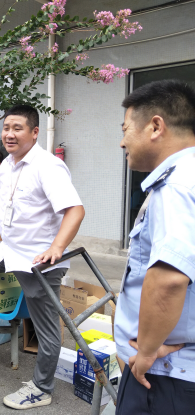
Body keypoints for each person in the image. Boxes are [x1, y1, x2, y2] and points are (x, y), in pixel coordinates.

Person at [0, 104, 85, 410]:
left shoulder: (47, 166)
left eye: (17, 128)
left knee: (46, 328)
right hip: (8, 250)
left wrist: (56, 247)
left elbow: (75, 210)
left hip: (38, 261)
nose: (9, 134)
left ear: (34, 132)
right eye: (6, 128)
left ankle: (42, 388)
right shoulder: (8, 164)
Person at [114, 80, 195, 415]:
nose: (122, 142)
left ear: (156, 126)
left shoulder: (175, 187)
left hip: (166, 376)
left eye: (125, 129)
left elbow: (169, 279)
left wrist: (146, 352)